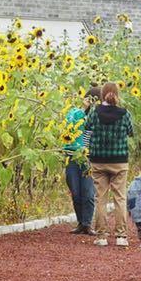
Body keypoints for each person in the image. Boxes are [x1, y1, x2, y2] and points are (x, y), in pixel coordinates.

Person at [83, 81, 134, 247]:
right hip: (119, 162)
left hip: (98, 161)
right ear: (117, 95)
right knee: (120, 198)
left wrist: (85, 150)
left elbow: (86, 133)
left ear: (101, 95)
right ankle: (121, 236)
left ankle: (102, 236)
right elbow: (130, 132)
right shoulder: (125, 113)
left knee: (100, 199)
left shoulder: (94, 113)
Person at [63, 86, 100, 234]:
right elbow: (68, 129)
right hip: (72, 156)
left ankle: (87, 224)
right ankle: (80, 223)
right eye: (90, 100)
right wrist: (83, 110)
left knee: (88, 193)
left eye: (95, 101)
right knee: (76, 192)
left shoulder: (97, 117)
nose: (91, 103)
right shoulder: (75, 113)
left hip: (89, 158)